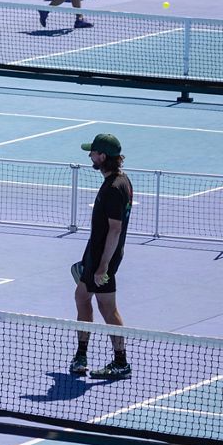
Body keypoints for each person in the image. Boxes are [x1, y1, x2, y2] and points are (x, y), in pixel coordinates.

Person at [70, 133, 133, 380]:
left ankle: (119, 361)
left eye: (93, 152)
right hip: (96, 255)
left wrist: (103, 266)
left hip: (102, 259)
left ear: (103, 156)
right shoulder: (120, 181)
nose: (90, 156)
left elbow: (115, 229)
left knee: (106, 307)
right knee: (83, 298)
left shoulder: (113, 189)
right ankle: (82, 355)